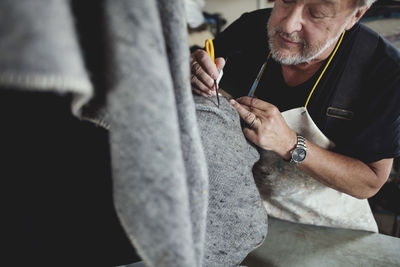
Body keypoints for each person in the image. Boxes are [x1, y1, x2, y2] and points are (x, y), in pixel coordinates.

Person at [190, 0, 400, 232]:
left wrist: (290, 144)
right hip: (231, 213)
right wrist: (192, 75)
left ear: (355, 16)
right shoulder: (248, 28)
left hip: (321, 230)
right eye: (286, 1)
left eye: (317, 14)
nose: (289, 25)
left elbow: (369, 182)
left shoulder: (384, 71)